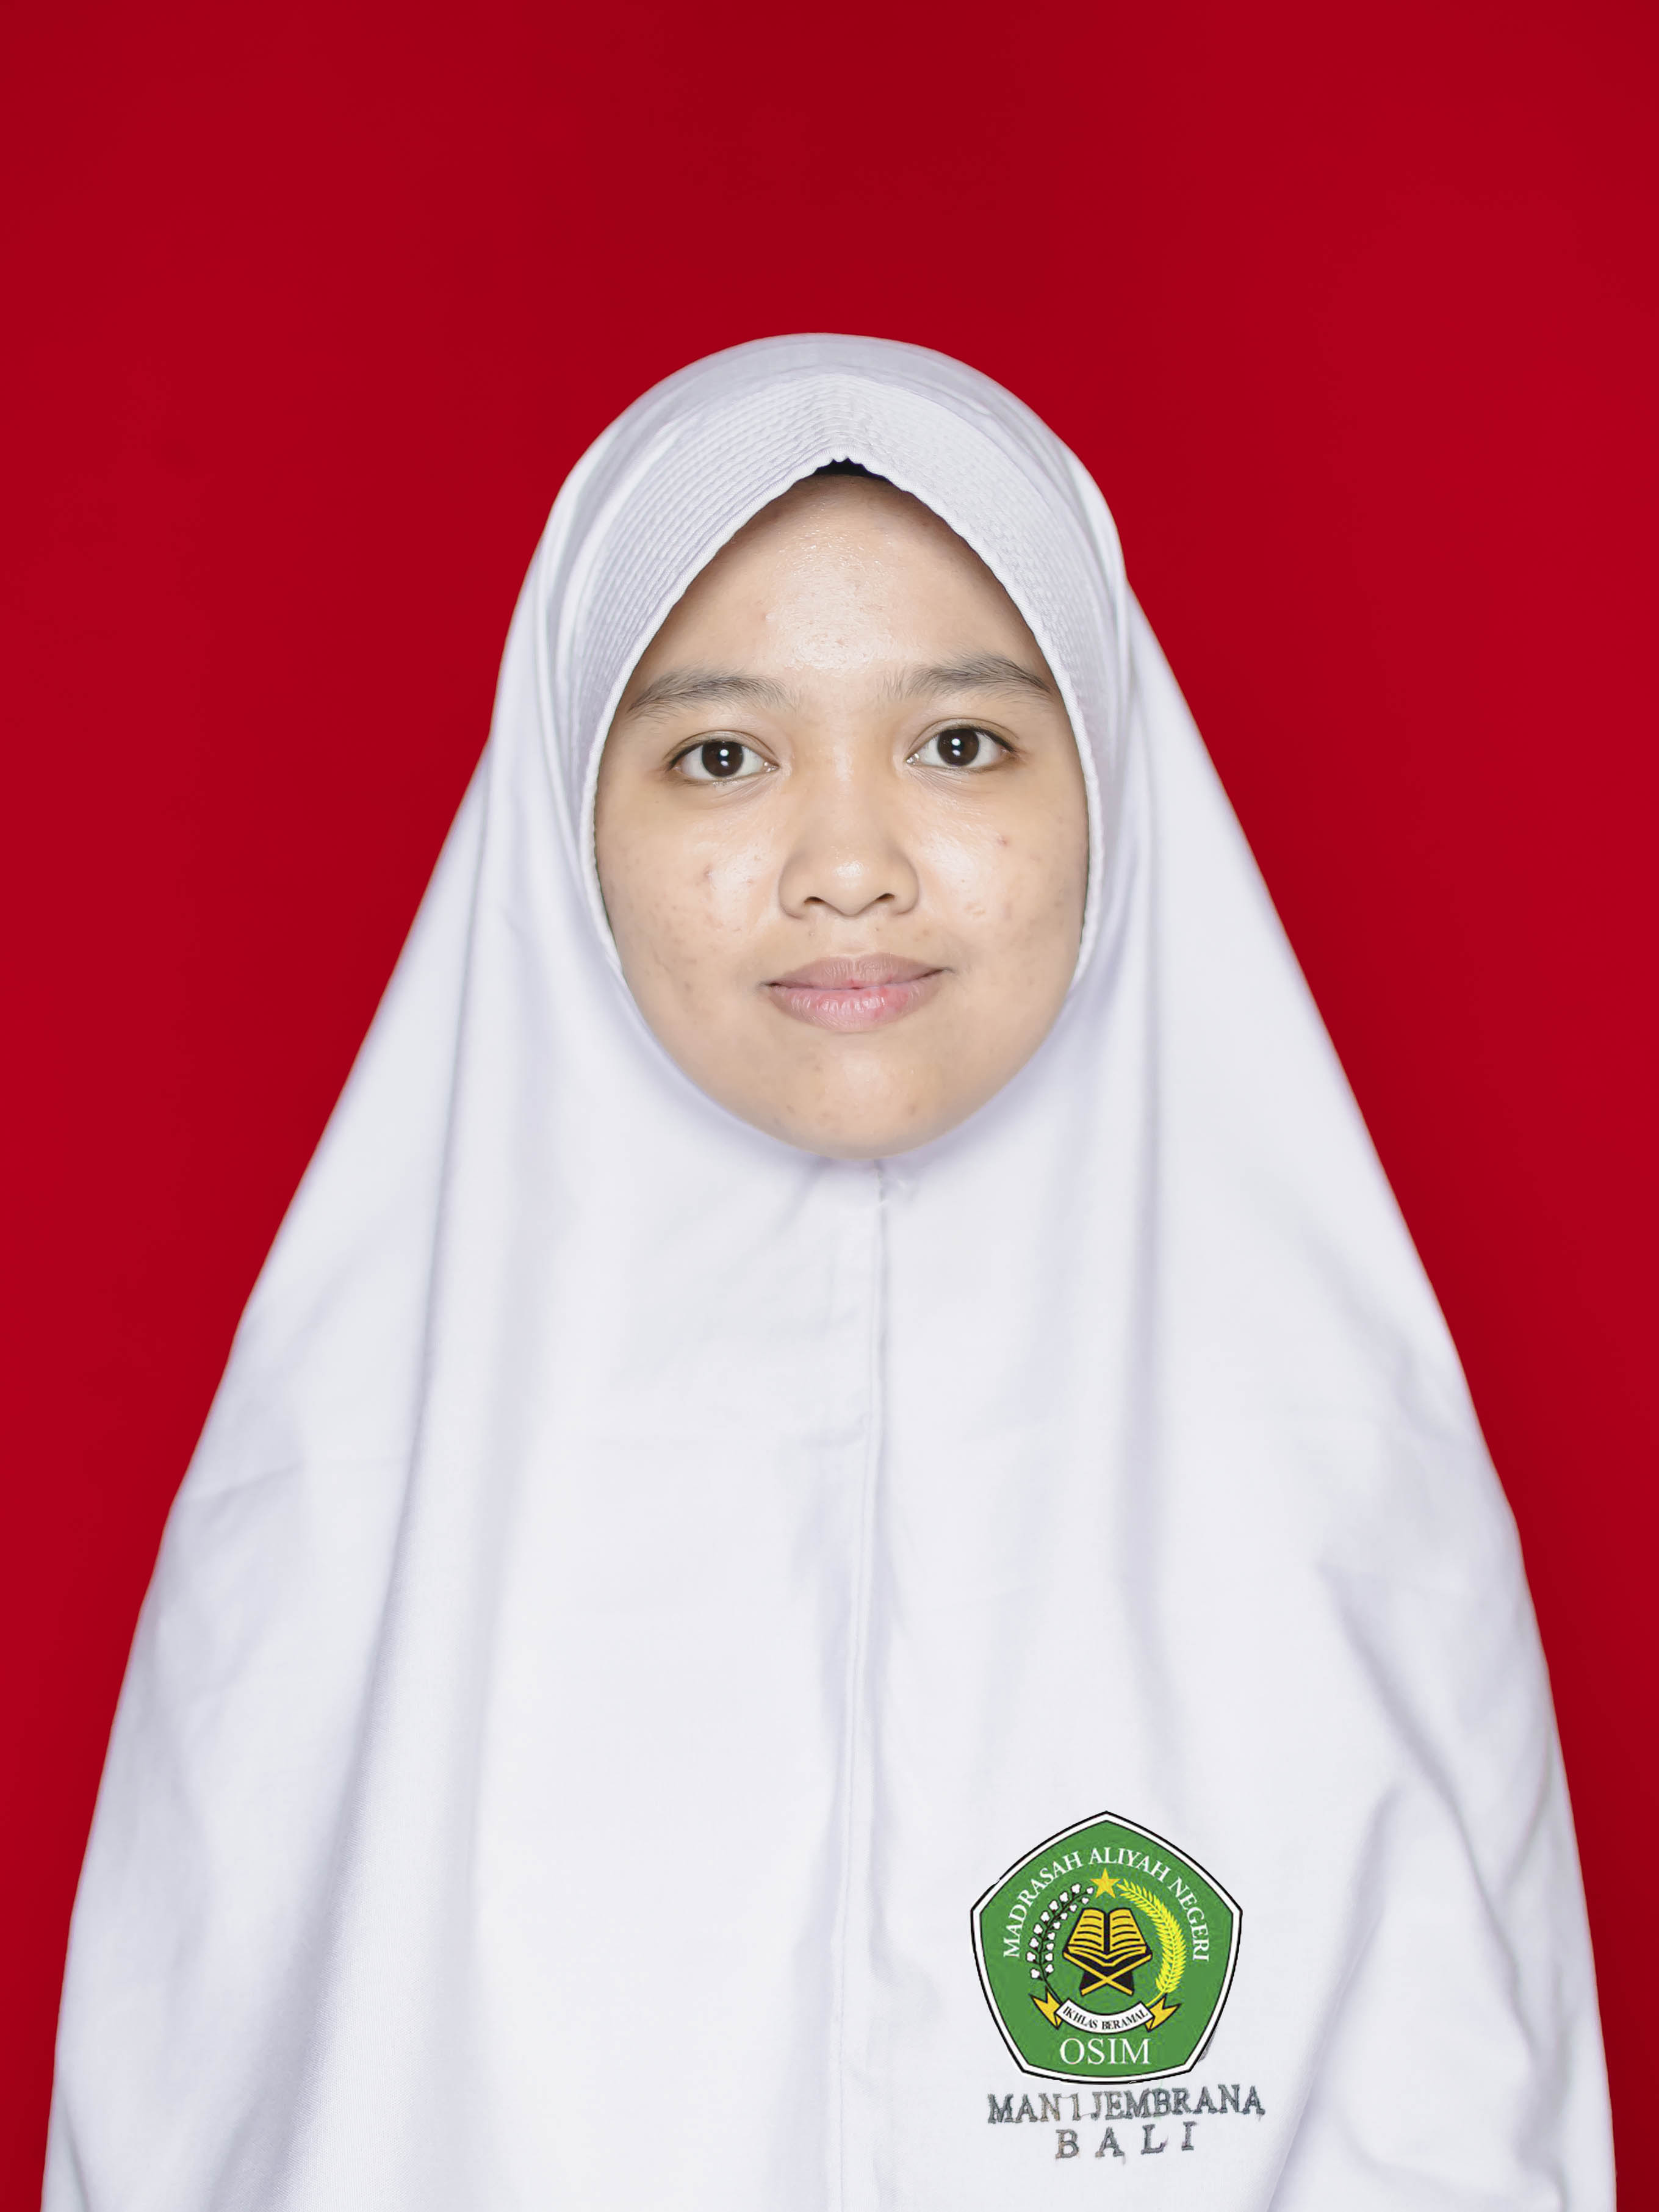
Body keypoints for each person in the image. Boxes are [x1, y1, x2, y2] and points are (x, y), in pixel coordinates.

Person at [44, 336, 1611, 2209]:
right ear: (567, 817)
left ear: (1115, 783)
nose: (849, 864)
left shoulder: (1358, 1494)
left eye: (960, 744)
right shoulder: (329, 1516)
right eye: (722, 755)